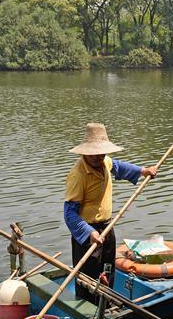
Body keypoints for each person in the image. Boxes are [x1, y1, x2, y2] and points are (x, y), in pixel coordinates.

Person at [64, 123, 157, 302]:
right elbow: (69, 214)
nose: (99, 157)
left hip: (107, 228)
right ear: (85, 152)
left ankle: (105, 305)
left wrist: (142, 171)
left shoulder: (104, 161)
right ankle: (89, 310)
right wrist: (89, 232)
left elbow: (117, 166)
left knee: (108, 270)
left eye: (102, 152)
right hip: (86, 234)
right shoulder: (78, 175)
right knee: (88, 278)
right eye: (94, 154)